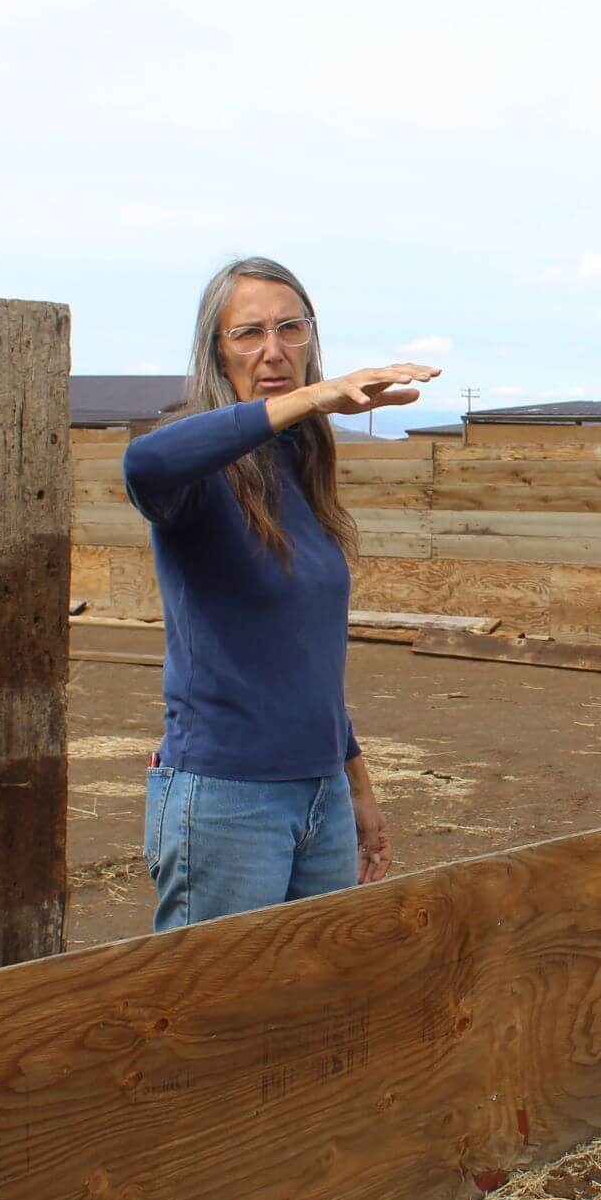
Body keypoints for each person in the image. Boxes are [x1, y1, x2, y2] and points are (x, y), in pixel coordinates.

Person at [121, 257, 439, 929]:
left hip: (318, 795)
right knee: (215, 1017)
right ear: (218, 352)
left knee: (312, 1009)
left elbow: (307, 663)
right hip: (226, 797)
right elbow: (143, 463)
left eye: (291, 329)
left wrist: (357, 786)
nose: (274, 350)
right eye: (249, 334)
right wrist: (314, 398)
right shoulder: (197, 475)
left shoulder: (297, 470)